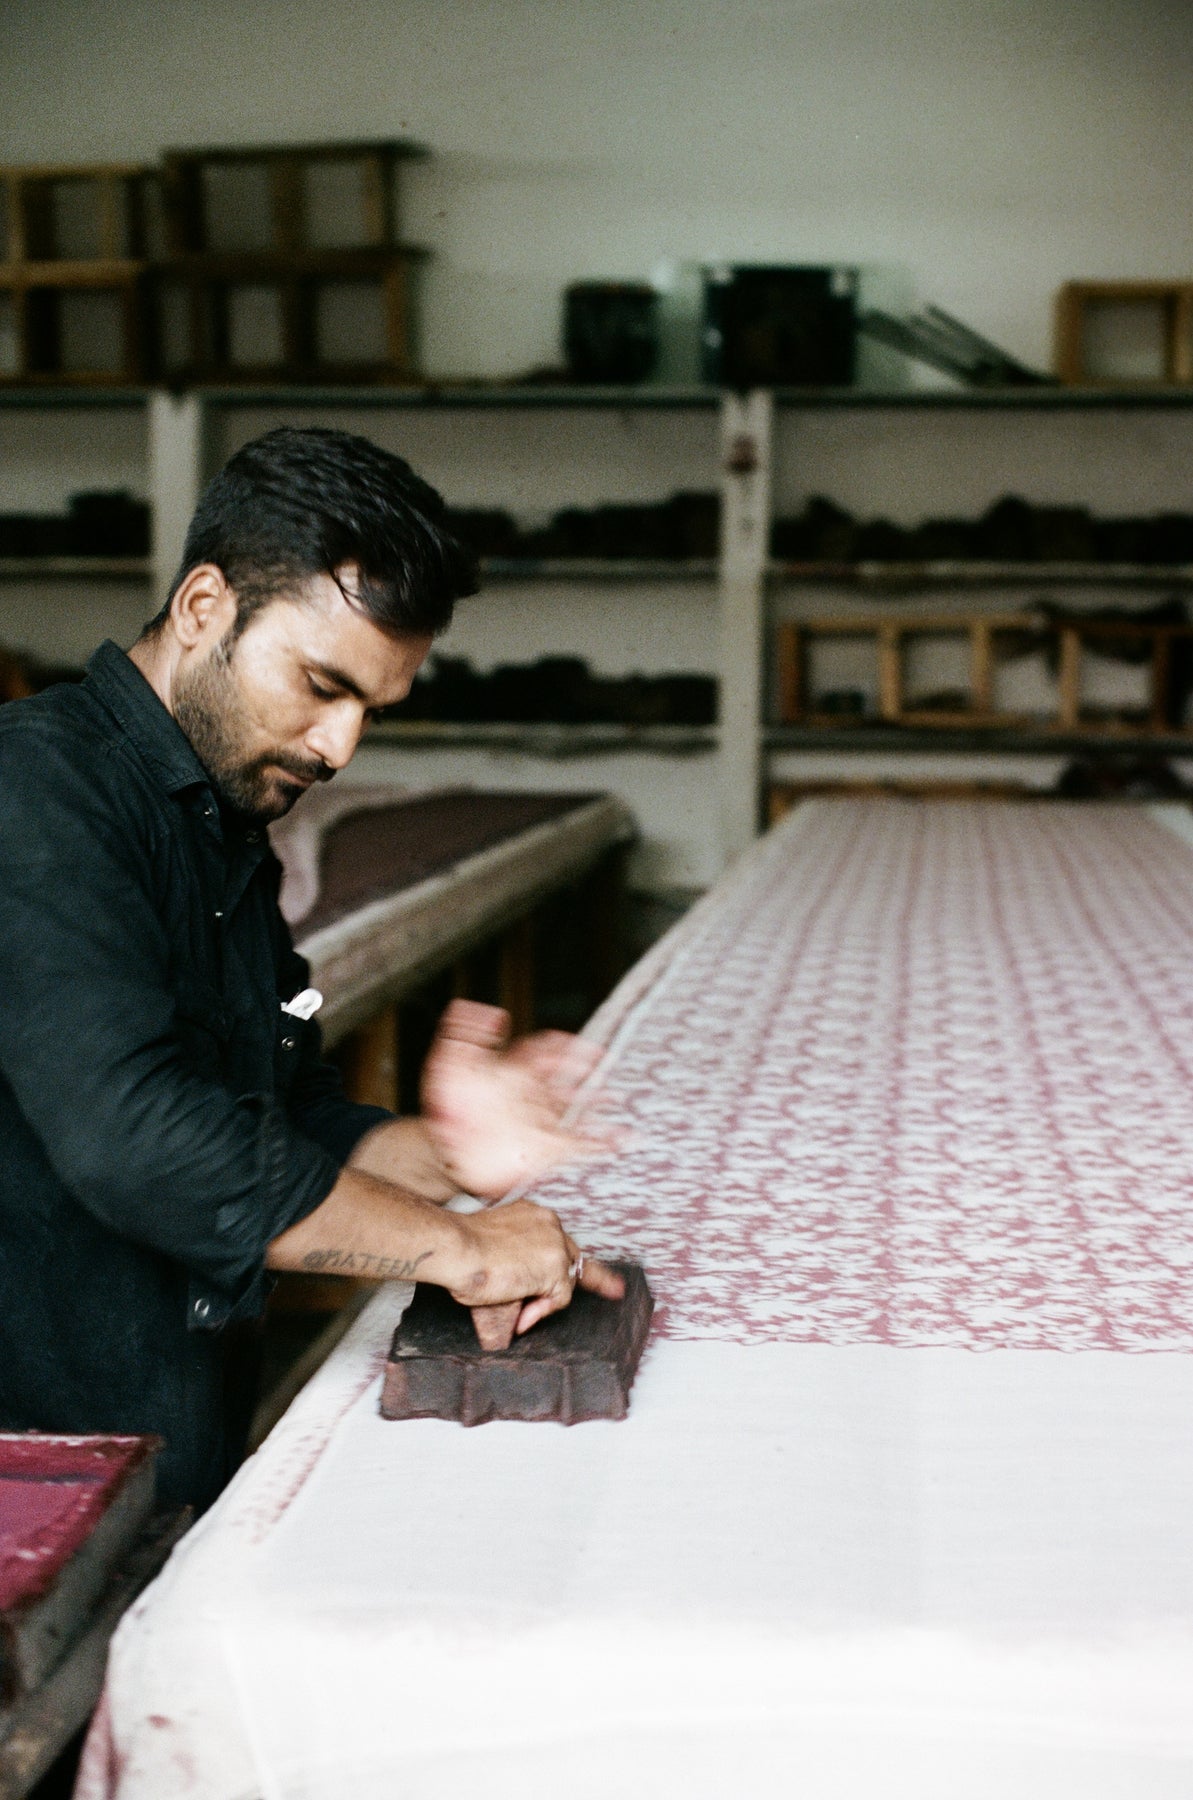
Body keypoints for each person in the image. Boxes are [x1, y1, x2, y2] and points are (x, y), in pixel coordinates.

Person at [0, 426, 622, 1511]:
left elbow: (280, 1118)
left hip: (157, 1469)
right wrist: (461, 1250)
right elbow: (135, 1137)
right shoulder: (35, 792)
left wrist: (444, 1156)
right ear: (204, 606)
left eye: (368, 710)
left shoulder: (219, 824)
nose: (339, 747)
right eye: (320, 685)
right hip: (33, 1488)